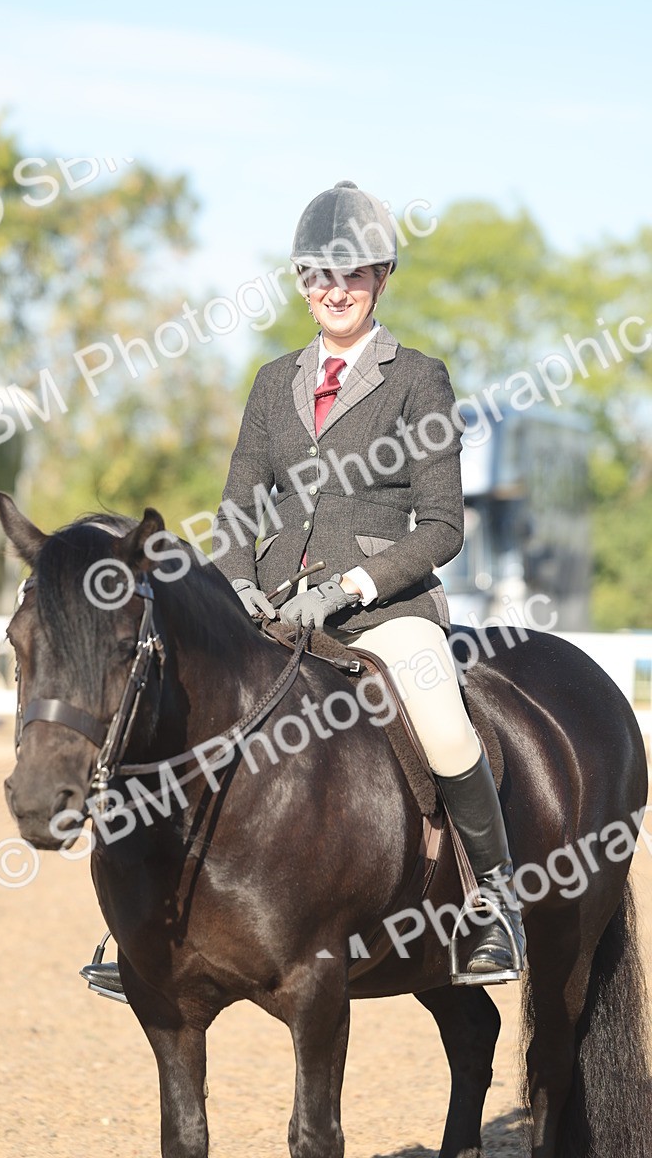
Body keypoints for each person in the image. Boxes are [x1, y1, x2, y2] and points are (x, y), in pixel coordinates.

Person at [212, 180, 526, 985]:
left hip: (385, 611)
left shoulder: (418, 378)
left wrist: (349, 585)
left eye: (352, 275)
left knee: (443, 721)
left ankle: (497, 907)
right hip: (277, 607)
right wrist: (236, 584)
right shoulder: (271, 380)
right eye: (320, 274)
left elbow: (443, 527)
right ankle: (154, 917)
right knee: (185, 701)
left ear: (380, 277)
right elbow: (239, 506)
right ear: (301, 282)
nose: (335, 289)